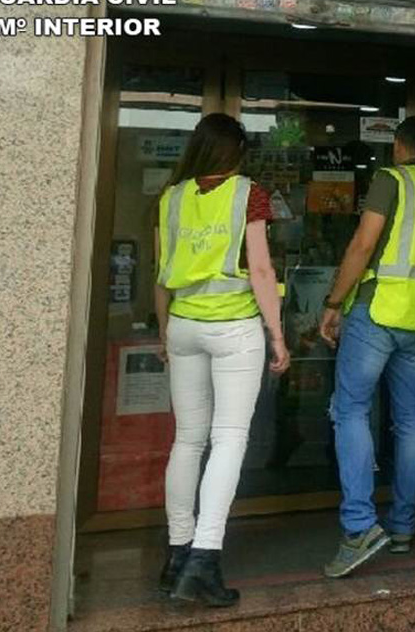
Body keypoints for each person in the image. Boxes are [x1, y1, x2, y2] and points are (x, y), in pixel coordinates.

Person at [319, 116, 415, 579]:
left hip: (379, 312)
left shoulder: (392, 179)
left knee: (351, 410)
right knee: (410, 418)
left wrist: (333, 302)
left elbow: (363, 245)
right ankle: (403, 526)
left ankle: (359, 527)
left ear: (400, 146)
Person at [154, 113, 290, 606]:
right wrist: (277, 335)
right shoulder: (247, 194)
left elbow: (161, 273)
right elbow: (261, 269)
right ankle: (204, 560)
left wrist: (165, 332)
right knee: (229, 439)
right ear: (238, 152)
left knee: (188, 440)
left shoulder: (171, 198)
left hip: (184, 325)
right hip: (233, 328)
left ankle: (176, 555)